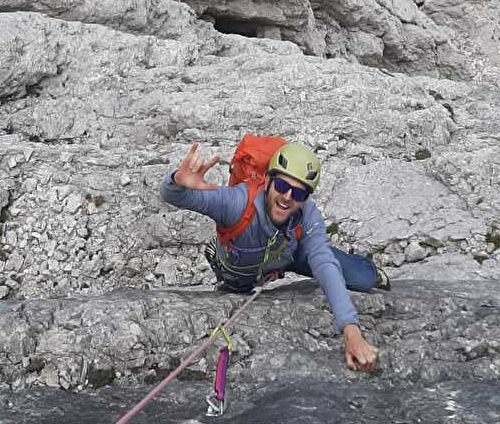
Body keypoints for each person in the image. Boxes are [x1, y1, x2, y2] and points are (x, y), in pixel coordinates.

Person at [161, 140, 389, 373]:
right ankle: (220, 258)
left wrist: (351, 331)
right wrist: (177, 182)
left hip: (288, 253)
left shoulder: (307, 216)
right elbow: (173, 196)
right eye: (281, 185)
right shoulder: (237, 203)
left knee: (363, 279)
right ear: (268, 181)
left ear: (305, 198)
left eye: (299, 192)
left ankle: (370, 269)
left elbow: (324, 263)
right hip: (242, 267)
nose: (288, 196)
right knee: (237, 287)